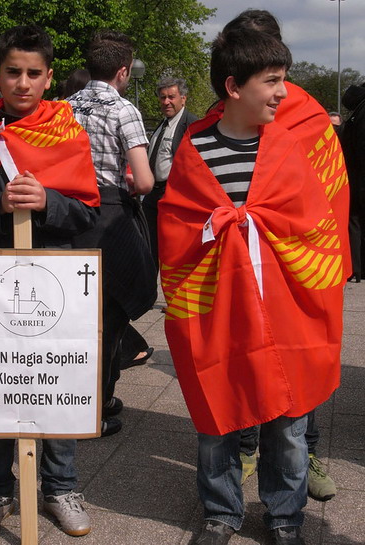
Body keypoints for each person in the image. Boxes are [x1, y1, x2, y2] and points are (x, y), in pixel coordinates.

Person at [158, 22, 348, 545]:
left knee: (288, 422)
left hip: (284, 303)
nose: (283, 92)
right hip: (220, 306)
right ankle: (221, 513)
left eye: (283, 79)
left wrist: (256, 223)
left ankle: (285, 517)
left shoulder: (289, 147)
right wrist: (223, 225)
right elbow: (175, 225)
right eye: (272, 80)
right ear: (234, 87)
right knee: (217, 415)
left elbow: (315, 224)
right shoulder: (194, 149)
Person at [0, 24, 100, 543]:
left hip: (54, 278)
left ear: (49, 77)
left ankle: (60, 486)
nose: (23, 83)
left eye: (34, 73)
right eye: (13, 72)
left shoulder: (69, 133)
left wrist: (49, 203)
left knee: (56, 383)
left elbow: (86, 214)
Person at [215, 8, 347, 505]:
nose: (277, 90)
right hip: (243, 270)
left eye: (279, 75)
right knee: (245, 359)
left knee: (300, 364)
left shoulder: (309, 116)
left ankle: (303, 453)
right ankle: (249, 447)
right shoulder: (231, 111)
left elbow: (330, 196)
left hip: (304, 264)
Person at [68, 31, 156, 437]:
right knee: (109, 315)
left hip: (65, 217)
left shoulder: (61, 108)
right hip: (109, 218)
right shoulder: (124, 111)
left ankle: (75, 400)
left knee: (74, 317)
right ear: (123, 71)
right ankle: (98, 406)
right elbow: (144, 180)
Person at [142, 76, 197, 268]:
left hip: (174, 195)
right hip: (152, 196)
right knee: (149, 248)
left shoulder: (191, 126)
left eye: (171, 97)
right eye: (163, 97)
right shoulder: (162, 125)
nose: (166, 102)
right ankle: (149, 292)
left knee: (173, 251)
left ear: (183, 98)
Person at [340, 83, 365, 283]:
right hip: (359, 174)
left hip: (355, 174)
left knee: (354, 220)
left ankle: (356, 267)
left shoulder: (356, 114)